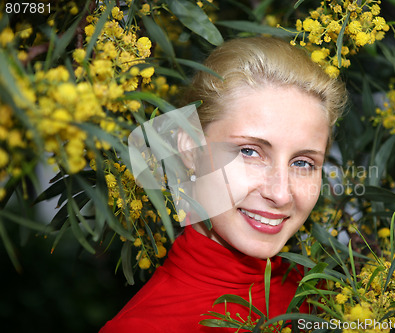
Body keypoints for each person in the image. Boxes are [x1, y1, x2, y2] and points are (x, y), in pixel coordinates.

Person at [100, 36, 346, 333]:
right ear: (189, 148)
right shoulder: (142, 327)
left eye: (303, 163)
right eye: (250, 152)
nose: (280, 194)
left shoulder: (331, 300)